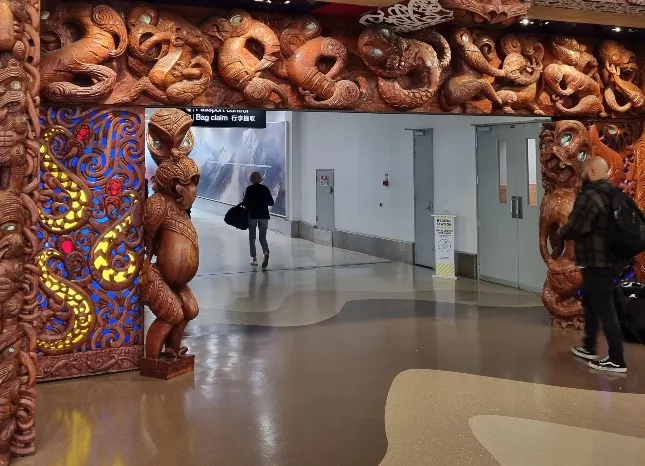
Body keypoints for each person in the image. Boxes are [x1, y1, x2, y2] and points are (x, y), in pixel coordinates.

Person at [560, 156, 627, 373]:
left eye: (582, 170)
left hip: (596, 262)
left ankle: (616, 359)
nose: (580, 174)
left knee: (605, 309)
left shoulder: (590, 195)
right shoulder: (615, 193)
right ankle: (589, 345)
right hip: (613, 261)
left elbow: (577, 227)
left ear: (591, 171)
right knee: (590, 300)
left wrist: (562, 231)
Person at [243, 171, 274, 269]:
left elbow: (245, 203)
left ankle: (254, 259)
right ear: (260, 179)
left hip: (252, 215)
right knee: (262, 238)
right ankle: (266, 252)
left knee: (252, 238)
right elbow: (271, 203)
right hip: (264, 216)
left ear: (251, 179)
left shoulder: (249, 189)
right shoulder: (265, 189)